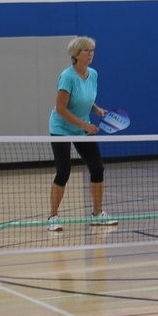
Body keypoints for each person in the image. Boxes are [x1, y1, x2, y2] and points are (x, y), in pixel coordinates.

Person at [47, 36, 117, 231]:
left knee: (97, 168)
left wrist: (97, 110)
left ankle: (97, 214)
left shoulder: (93, 74)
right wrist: (85, 126)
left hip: (81, 127)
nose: (90, 53)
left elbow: (85, 100)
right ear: (75, 55)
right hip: (61, 129)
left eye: (92, 50)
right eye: (86, 50)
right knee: (64, 171)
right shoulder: (67, 76)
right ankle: (53, 217)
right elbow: (61, 108)